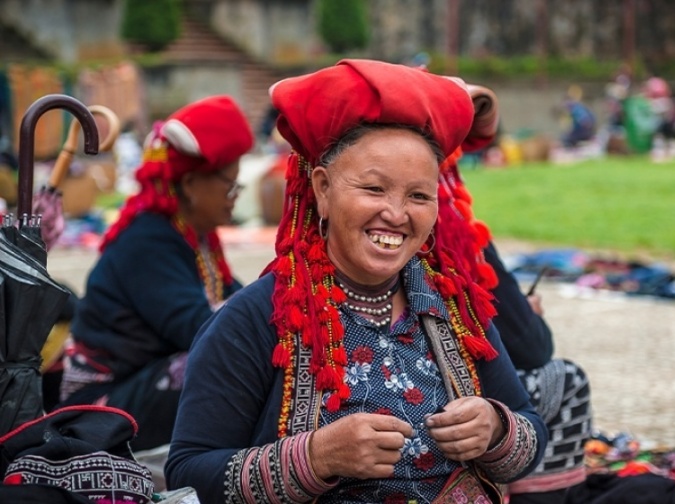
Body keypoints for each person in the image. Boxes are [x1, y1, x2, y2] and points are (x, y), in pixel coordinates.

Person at [165, 59, 547, 503]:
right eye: (373, 189)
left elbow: (529, 428)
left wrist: (496, 427)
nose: (397, 214)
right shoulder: (252, 320)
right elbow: (188, 474)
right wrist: (316, 457)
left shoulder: (453, 308)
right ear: (323, 188)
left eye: (419, 196)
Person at [57, 95, 254, 451]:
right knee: (213, 358)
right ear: (192, 184)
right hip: (98, 407)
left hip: (141, 384)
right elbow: (200, 329)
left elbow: (242, 303)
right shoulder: (149, 240)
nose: (234, 197)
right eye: (231, 185)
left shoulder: (196, 236)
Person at [436, 85, 592, 504]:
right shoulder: (447, 224)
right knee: (565, 378)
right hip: (440, 402)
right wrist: (528, 316)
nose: (398, 213)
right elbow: (532, 349)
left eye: (417, 192)